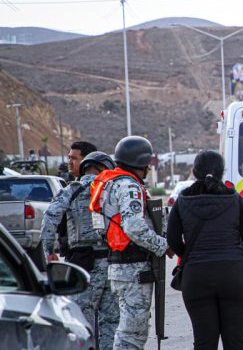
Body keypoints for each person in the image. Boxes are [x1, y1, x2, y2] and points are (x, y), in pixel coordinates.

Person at [167, 151, 243, 350]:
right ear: (221, 172)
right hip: (234, 275)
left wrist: (189, 256)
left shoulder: (182, 201)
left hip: (196, 278)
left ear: (194, 171)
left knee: (204, 342)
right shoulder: (235, 199)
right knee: (236, 341)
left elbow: (172, 239)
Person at [90, 136, 174, 349]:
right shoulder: (129, 186)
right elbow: (134, 226)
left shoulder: (109, 183)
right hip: (133, 268)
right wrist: (163, 245)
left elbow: (100, 227)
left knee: (128, 328)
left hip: (120, 266)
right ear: (141, 162)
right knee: (132, 333)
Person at [41, 151, 118, 349]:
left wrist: (48, 250)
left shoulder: (73, 189)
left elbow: (50, 218)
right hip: (112, 263)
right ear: (104, 168)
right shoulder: (112, 189)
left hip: (84, 265)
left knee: (81, 323)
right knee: (110, 322)